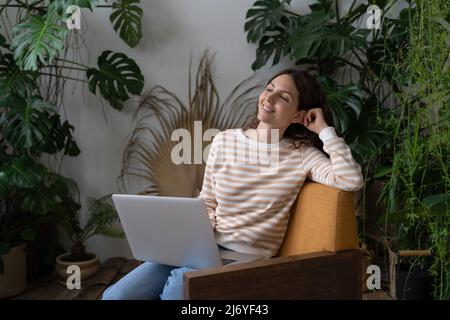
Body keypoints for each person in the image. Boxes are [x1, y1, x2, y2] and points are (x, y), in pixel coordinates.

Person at [102, 68, 364, 300]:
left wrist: (325, 131)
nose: (269, 98)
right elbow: (208, 200)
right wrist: (191, 234)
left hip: (245, 258)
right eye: (269, 89)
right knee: (116, 295)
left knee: (175, 291)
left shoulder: (302, 155)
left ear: (298, 114)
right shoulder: (225, 141)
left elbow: (350, 179)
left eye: (283, 98)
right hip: (201, 247)